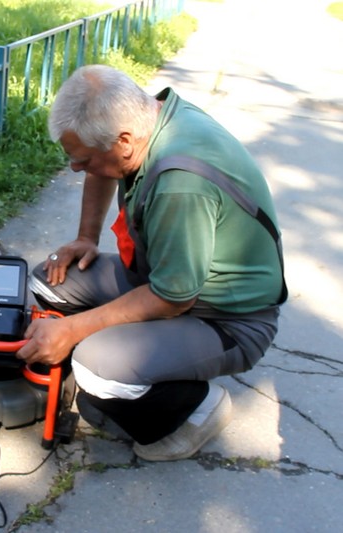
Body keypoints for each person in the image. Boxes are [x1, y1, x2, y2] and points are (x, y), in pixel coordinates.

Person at [16, 65, 287, 461]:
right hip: (167, 278)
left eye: (82, 159)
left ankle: (198, 408)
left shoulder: (181, 183)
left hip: (227, 319)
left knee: (95, 364)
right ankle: (127, 373)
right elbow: (101, 165)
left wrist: (74, 331)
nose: (75, 168)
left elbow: (172, 298)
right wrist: (86, 237)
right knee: (49, 280)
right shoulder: (150, 117)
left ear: (123, 141)